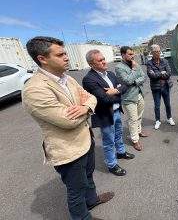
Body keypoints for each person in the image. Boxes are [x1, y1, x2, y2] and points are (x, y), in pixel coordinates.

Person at [22, 36, 113, 220]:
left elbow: (91, 98)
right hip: (68, 150)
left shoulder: (67, 79)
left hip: (85, 140)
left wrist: (85, 107)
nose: (67, 58)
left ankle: (92, 200)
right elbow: (67, 121)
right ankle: (82, 217)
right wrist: (88, 108)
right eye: (61, 54)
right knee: (76, 190)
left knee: (88, 177)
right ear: (42, 59)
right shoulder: (34, 89)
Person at [82, 49, 135, 177]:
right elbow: (105, 99)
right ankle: (112, 164)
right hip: (105, 114)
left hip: (116, 111)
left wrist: (115, 91)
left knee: (118, 134)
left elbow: (124, 86)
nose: (104, 61)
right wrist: (118, 92)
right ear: (91, 64)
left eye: (104, 58)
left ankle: (121, 152)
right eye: (100, 60)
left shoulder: (110, 74)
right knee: (108, 141)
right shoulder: (89, 79)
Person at [115, 46, 146, 151]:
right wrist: (133, 70)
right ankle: (135, 140)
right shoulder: (119, 67)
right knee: (132, 119)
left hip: (139, 94)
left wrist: (136, 81)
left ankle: (138, 130)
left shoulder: (135, 63)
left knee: (139, 116)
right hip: (128, 97)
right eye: (130, 54)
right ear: (123, 55)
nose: (132, 56)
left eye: (133, 54)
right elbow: (127, 81)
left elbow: (143, 76)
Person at [147, 44, 175, 129]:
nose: (158, 53)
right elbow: (151, 75)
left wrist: (157, 74)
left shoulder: (165, 61)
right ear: (152, 52)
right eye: (156, 51)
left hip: (165, 86)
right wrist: (161, 73)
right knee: (157, 106)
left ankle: (169, 118)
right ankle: (158, 120)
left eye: (159, 51)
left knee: (168, 104)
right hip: (156, 88)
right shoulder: (149, 63)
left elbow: (169, 73)